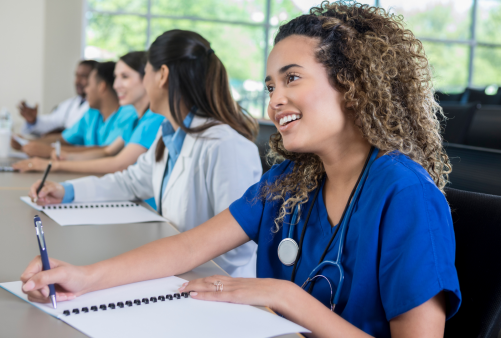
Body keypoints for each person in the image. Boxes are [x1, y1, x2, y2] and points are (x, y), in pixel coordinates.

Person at [21, 3, 461, 336]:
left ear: (352, 86)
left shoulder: (405, 194)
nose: (275, 100)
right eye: (270, 85)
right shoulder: (293, 180)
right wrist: (84, 277)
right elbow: (188, 248)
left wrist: (286, 297)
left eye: (292, 78)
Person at [22, 30, 261, 277]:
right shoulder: (168, 133)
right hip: (175, 273)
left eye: (144, 72)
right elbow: (131, 181)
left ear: (162, 76)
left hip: (216, 285)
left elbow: (237, 249)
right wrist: (67, 191)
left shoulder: (224, 145)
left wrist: (165, 261)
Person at [12, 52, 165, 174]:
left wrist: (53, 163)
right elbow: (108, 150)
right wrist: (60, 156)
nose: (116, 85)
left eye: (124, 77)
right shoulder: (137, 119)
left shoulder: (151, 118)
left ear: (147, 77)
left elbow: (118, 163)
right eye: (116, 77)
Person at [13, 62, 138, 159]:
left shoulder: (129, 114)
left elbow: (109, 151)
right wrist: (28, 143)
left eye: (88, 84)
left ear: (102, 86)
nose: (85, 90)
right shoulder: (92, 114)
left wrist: (52, 151)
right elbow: (64, 138)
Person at [18, 60, 97, 137]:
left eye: (83, 76)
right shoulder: (70, 104)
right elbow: (51, 122)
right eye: (76, 75)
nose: (77, 81)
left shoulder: (98, 107)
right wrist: (33, 120)